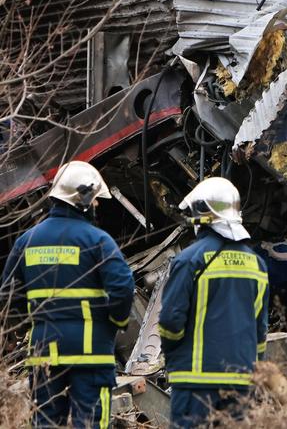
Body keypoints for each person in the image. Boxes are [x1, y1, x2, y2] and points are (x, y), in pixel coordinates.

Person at [1, 161, 134, 428]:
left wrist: (24, 327)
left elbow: (8, 297)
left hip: (44, 352)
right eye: (95, 200)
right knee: (92, 421)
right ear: (83, 199)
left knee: (46, 421)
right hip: (91, 354)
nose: (97, 206)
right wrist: (117, 323)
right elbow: (122, 286)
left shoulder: (26, 241)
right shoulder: (98, 240)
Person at [159, 177, 269, 427]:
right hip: (240, 381)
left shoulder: (189, 260)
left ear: (200, 214)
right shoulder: (257, 264)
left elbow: (169, 321)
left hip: (195, 380)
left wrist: (174, 353)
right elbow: (260, 330)